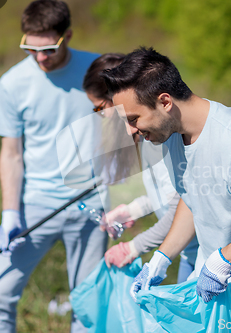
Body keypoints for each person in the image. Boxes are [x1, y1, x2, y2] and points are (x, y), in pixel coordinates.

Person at [101, 47, 231, 333]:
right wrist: (161, 258)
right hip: (215, 294)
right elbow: (192, 197)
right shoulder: (172, 137)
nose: (130, 132)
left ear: (165, 102)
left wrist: (224, 259)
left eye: (133, 119)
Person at [0, 1, 109, 332]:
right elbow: (10, 153)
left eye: (49, 49)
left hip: (90, 204)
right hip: (33, 207)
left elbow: (121, 137)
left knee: (87, 306)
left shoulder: (97, 72)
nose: (40, 58)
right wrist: (9, 213)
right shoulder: (12, 84)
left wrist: (117, 195)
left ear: (67, 35)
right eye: (30, 49)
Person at [82, 53, 198, 282]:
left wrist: (133, 248)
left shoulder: (161, 139)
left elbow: (184, 207)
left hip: (203, 250)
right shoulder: (147, 139)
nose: (102, 116)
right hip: (189, 251)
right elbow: (169, 194)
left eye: (99, 108)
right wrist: (132, 210)